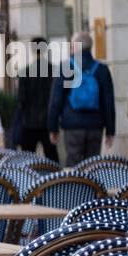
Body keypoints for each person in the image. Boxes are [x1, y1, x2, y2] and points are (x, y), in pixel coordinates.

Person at [48, 30, 115, 165]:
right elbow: (108, 101)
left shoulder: (66, 67)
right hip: (95, 126)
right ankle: (91, 186)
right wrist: (110, 130)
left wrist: (53, 128)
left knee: (74, 166)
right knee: (92, 166)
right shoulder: (101, 69)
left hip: (73, 126)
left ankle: (75, 187)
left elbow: (56, 100)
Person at [15, 37, 57, 160]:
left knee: (27, 161)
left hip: (28, 122)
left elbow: (21, 98)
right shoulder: (54, 70)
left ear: (32, 50)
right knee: (52, 160)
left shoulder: (24, 71)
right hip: (48, 122)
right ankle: (56, 180)